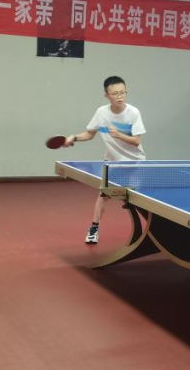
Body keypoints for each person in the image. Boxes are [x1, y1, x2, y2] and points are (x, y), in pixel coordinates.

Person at [60, 76, 145, 244]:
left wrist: (119, 135)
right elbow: (90, 134)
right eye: (115, 93)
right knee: (103, 195)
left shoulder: (133, 112)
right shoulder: (101, 113)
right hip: (112, 163)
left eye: (123, 92)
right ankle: (94, 228)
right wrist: (73, 138)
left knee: (142, 200)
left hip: (135, 162)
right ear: (107, 96)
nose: (120, 96)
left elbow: (136, 141)